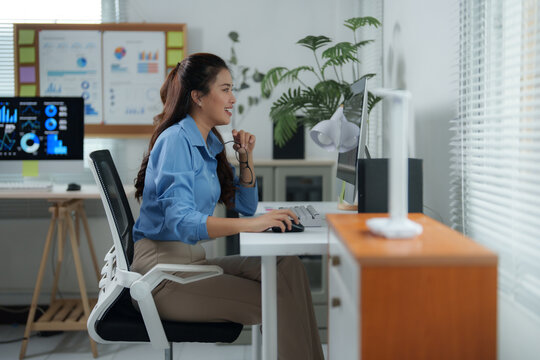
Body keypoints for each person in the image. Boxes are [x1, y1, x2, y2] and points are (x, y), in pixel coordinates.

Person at [132, 53, 324, 360]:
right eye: (225, 89)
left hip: (191, 263)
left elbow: (246, 206)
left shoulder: (208, 143)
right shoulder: (175, 142)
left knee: (287, 267)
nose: (232, 98)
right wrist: (254, 225)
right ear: (198, 97)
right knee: (282, 297)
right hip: (163, 276)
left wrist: (245, 158)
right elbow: (182, 221)